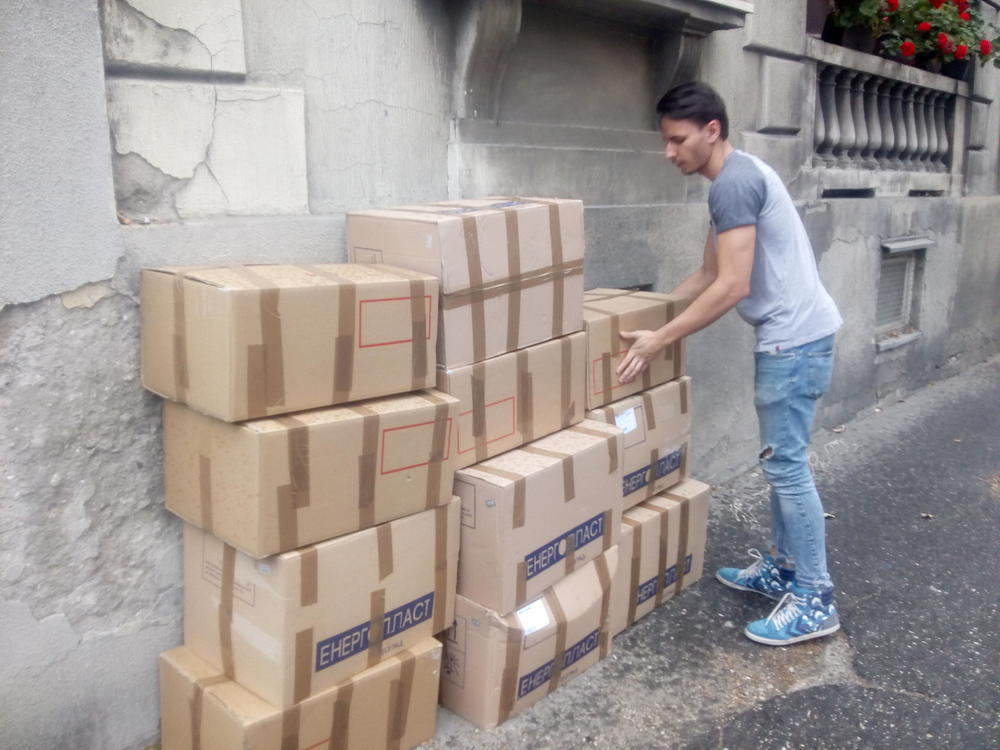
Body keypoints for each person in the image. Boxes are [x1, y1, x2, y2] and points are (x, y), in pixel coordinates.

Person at [616, 81, 843, 646]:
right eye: (666, 141)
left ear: (711, 130)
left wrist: (659, 340)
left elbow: (733, 286)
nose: (669, 152)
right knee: (781, 463)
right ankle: (784, 569)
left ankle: (815, 598)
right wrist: (644, 314)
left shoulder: (734, 184)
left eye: (677, 140)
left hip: (793, 343)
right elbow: (707, 275)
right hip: (797, 337)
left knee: (786, 467)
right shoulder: (732, 181)